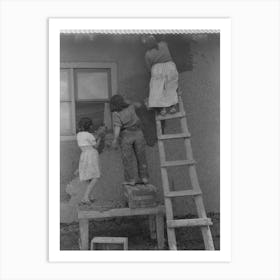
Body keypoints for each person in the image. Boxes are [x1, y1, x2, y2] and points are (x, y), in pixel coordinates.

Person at [110, 94, 149, 185]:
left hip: (126, 134)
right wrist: (129, 101)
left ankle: (130, 180)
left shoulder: (116, 113)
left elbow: (117, 127)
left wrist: (115, 139)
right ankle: (144, 178)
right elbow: (139, 105)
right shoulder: (131, 107)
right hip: (139, 133)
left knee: (127, 158)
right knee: (141, 156)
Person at [142, 35, 179, 116]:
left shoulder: (147, 54)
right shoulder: (163, 44)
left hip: (157, 70)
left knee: (158, 90)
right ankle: (173, 107)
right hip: (170, 67)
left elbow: (149, 68)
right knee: (171, 87)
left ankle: (163, 110)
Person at [76, 117, 102, 204]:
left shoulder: (79, 135)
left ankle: (89, 196)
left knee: (89, 177)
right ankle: (86, 197)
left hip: (84, 155)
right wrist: (99, 138)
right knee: (96, 176)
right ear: (90, 126)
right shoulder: (89, 135)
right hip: (91, 155)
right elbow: (96, 146)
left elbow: (85, 142)